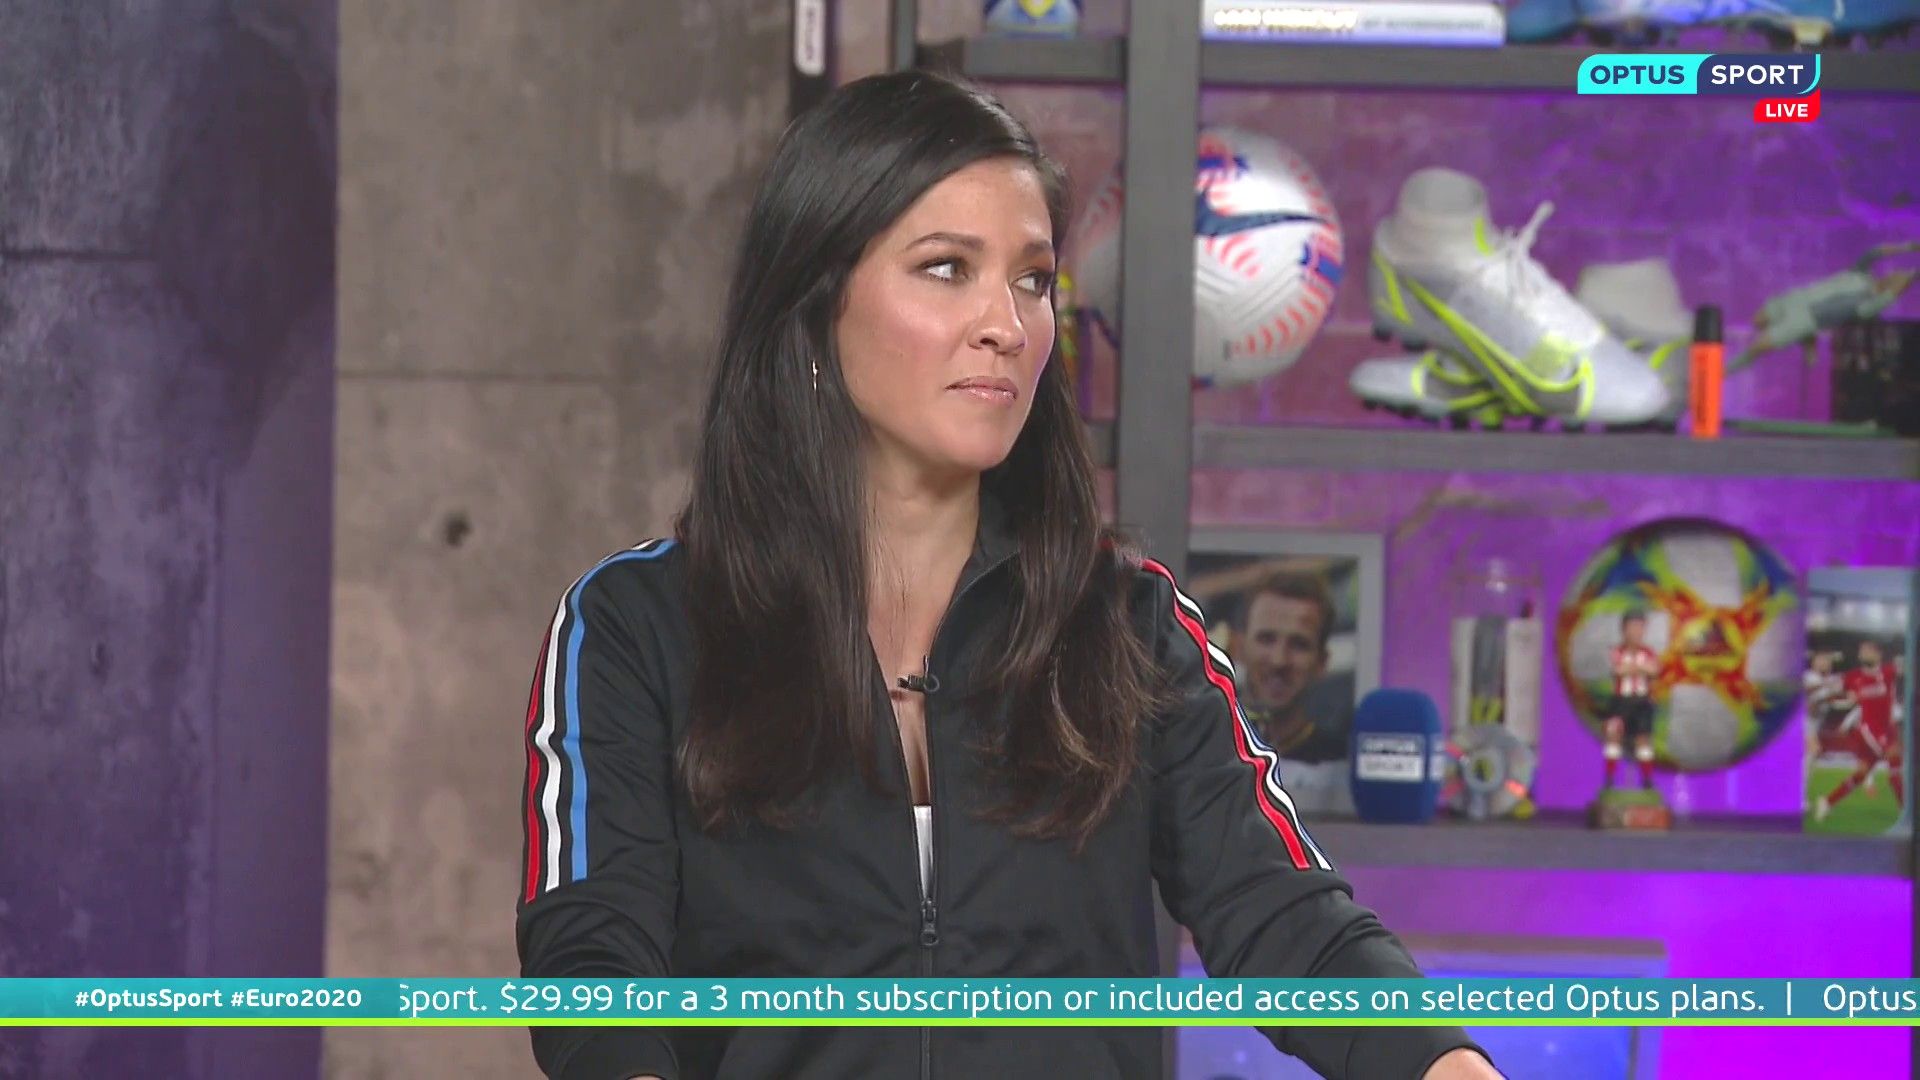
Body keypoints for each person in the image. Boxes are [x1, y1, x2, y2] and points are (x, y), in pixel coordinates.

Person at [515, 70, 1497, 1080]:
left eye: (1031, 279)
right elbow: (592, 961)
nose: (1008, 325)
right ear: (813, 307)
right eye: (947, 268)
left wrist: (1448, 1066)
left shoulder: (1129, 623)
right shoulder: (634, 626)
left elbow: (1289, 918)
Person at [1228, 569, 1352, 814]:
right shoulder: (1201, 751)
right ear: (1239, 649)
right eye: (1266, 639)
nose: (1279, 661)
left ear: (1322, 662)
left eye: (1298, 644)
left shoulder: (1343, 765)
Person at [1815, 639, 1904, 821]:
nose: (1863, 654)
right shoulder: (1853, 677)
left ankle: (1827, 802)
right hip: (1870, 730)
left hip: (1888, 729)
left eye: (1867, 651)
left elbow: (1906, 666)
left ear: (1878, 654)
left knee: (1862, 773)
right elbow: (1831, 688)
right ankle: (1906, 811)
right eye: (1861, 651)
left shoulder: (1888, 671)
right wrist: (1821, 696)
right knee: (1894, 761)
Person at [1602, 611, 1660, 790]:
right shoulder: (1616, 651)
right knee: (1614, 736)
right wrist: (1641, 668)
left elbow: (1654, 670)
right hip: (1620, 702)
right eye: (1632, 627)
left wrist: (1632, 668)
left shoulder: (1648, 652)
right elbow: (1618, 670)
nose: (1636, 632)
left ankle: (1647, 781)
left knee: (1643, 739)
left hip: (1642, 702)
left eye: (1640, 627)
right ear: (1624, 629)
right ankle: (1610, 780)